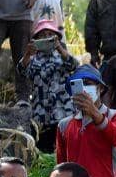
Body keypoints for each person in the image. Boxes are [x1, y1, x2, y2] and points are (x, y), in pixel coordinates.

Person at [18, 20, 77, 152]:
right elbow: (21, 71)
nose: (46, 37)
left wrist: (59, 48)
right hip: (41, 115)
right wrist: (27, 53)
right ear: (36, 39)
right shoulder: (33, 59)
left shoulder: (62, 56)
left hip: (63, 112)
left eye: (50, 34)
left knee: (66, 150)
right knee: (44, 151)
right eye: (42, 35)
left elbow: (74, 65)